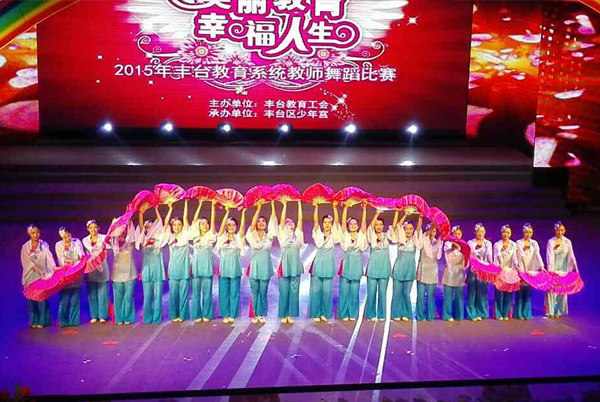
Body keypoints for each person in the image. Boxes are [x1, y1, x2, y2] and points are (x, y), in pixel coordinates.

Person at [245, 201, 277, 324]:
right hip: (254, 268)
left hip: (265, 269)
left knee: (263, 292)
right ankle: (255, 314)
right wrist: (258, 208)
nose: (261, 223)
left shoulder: (269, 236)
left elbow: (273, 221)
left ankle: (261, 314)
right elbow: (252, 225)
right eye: (259, 221)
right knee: (254, 292)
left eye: (263, 221)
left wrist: (273, 204)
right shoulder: (251, 235)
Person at [136, 206, 168, 324]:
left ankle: (157, 317)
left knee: (158, 296)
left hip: (158, 270)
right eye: (146, 226)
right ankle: (147, 317)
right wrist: (141, 214)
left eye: (150, 226)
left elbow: (160, 221)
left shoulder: (159, 238)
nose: (148, 228)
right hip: (147, 270)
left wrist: (156, 208)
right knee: (147, 296)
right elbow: (140, 227)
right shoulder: (143, 239)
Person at [389, 211, 423, 321]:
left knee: (406, 293)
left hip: (410, 269)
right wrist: (405, 215)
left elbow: (418, 229)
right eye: (406, 229)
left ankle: (406, 313)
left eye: (410, 229)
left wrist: (420, 217)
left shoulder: (415, 240)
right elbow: (396, 226)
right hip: (399, 269)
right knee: (396, 293)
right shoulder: (399, 238)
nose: (408, 231)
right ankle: (396, 314)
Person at [336, 203, 368, 321]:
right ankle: (343, 313)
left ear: (358, 226)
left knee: (354, 291)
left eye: (355, 224)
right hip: (346, 265)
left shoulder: (361, 236)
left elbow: (364, 223)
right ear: (348, 226)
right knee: (344, 291)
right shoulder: (345, 235)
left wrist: (364, 209)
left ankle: (353, 314)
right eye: (351, 224)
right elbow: (342, 223)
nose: (353, 226)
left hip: (356, 266)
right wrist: (345, 208)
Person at [216, 207, 246, 324]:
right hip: (224, 269)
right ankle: (225, 313)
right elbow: (221, 227)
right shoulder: (221, 237)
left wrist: (243, 212)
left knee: (234, 292)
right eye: (229, 225)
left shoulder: (239, 238)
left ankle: (232, 314)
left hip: (235, 269)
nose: (231, 227)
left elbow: (243, 228)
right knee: (224, 292)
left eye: (233, 225)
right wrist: (227, 211)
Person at [21, 224, 55, 328]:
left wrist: (54, 267)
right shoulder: (25, 247)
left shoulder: (44, 244)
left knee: (41, 298)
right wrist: (38, 270)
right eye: (33, 233)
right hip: (30, 275)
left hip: (42, 275)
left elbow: (49, 256)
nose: (35, 235)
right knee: (31, 299)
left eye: (37, 232)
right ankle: (33, 320)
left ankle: (43, 321)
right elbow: (27, 262)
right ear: (29, 233)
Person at [276, 200, 304, 324]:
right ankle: (284, 314)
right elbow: (282, 221)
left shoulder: (298, 234)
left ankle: (291, 314)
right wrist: (285, 205)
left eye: (291, 222)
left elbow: (300, 219)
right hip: (285, 265)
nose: (289, 223)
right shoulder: (282, 234)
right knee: (284, 291)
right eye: (287, 222)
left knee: (294, 290)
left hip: (296, 265)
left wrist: (299, 204)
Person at [309, 203, 339, 322]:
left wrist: (335, 207)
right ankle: (316, 313)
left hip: (328, 266)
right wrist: (316, 207)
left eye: (329, 222)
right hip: (318, 265)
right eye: (325, 222)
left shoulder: (334, 236)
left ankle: (325, 313)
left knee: (327, 291)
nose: (327, 224)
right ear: (322, 224)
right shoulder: (318, 234)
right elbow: (315, 221)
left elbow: (337, 222)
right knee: (316, 291)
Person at [189, 200, 217, 323]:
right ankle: (196, 314)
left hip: (207, 267)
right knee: (196, 293)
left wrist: (213, 206)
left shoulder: (211, 235)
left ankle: (207, 314)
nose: (204, 225)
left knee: (207, 292)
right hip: (196, 267)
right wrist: (200, 204)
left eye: (206, 223)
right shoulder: (194, 235)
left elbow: (213, 219)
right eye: (202, 223)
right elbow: (195, 220)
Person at [165, 201, 192, 322]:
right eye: (175, 225)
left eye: (179, 225)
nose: (177, 227)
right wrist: (170, 209)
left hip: (184, 269)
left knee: (184, 294)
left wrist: (186, 203)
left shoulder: (185, 235)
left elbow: (185, 218)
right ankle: (174, 315)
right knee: (173, 294)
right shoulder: (169, 237)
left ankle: (183, 315)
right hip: (173, 269)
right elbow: (165, 224)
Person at [545, 221, 579, 318]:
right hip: (554, 267)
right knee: (552, 289)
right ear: (555, 230)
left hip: (564, 268)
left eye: (562, 230)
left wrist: (575, 268)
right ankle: (550, 311)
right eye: (558, 230)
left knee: (562, 289)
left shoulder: (567, 242)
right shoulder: (551, 242)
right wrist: (551, 270)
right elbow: (550, 256)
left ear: (564, 231)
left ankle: (558, 311)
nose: (560, 232)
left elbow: (571, 256)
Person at [364, 210, 392, 322]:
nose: (379, 227)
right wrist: (376, 214)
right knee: (371, 293)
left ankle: (382, 315)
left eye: (381, 225)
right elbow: (369, 228)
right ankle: (370, 315)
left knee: (382, 293)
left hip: (384, 268)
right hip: (373, 268)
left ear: (383, 226)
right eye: (376, 225)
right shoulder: (371, 236)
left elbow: (395, 227)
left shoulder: (387, 236)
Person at [109, 219, 137, 325]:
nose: (121, 233)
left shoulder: (130, 241)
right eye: (119, 231)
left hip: (130, 273)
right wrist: (114, 223)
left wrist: (128, 220)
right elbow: (110, 234)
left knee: (128, 297)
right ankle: (119, 318)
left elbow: (132, 232)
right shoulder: (114, 243)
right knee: (118, 298)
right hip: (117, 274)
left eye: (123, 231)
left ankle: (128, 317)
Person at [55, 227, 84, 327]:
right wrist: (70, 262)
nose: (67, 238)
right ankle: (62, 321)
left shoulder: (76, 241)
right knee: (64, 299)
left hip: (76, 273)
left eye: (69, 236)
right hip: (66, 274)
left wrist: (80, 257)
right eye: (65, 237)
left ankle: (74, 321)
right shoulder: (58, 245)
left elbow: (80, 253)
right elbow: (61, 259)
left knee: (75, 299)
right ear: (61, 237)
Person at [82, 219, 110, 323]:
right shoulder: (85, 240)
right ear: (88, 229)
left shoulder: (103, 237)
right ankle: (94, 315)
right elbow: (92, 251)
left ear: (98, 228)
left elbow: (109, 243)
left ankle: (103, 315)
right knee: (92, 294)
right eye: (91, 227)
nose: (93, 229)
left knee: (103, 294)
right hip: (91, 270)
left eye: (95, 227)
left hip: (102, 269)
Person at [515, 223, 544, 320]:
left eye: (530, 232)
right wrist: (524, 269)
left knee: (527, 292)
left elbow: (537, 254)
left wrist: (542, 266)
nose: (528, 234)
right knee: (520, 291)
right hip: (522, 269)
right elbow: (521, 255)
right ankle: (519, 313)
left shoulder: (534, 243)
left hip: (531, 269)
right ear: (523, 232)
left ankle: (526, 313)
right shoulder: (519, 242)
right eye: (526, 232)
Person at [416, 223, 442, 321]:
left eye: (434, 231)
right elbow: (422, 239)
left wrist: (439, 242)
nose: (432, 233)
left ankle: (431, 315)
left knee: (431, 295)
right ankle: (420, 315)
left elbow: (438, 256)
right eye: (430, 230)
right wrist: (431, 228)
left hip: (433, 270)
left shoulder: (437, 242)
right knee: (420, 295)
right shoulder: (423, 239)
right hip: (423, 269)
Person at [467, 223, 493, 321]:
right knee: (472, 292)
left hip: (484, 270)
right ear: (475, 232)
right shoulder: (470, 242)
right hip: (474, 269)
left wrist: (491, 265)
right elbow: (473, 254)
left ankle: (482, 312)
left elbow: (489, 255)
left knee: (482, 292)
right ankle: (472, 313)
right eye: (478, 231)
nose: (480, 233)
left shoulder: (488, 243)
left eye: (482, 231)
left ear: (485, 232)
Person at [493, 225, 518, 320]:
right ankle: (498, 314)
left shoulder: (513, 244)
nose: (506, 234)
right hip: (500, 270)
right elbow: (498, 255)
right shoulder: (497, 244)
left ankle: (506, 313)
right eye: (504, 232)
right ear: (501, 233)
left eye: (508, 233)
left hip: (510, 270)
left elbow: (514, 257)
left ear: (510, 234)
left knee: (508, 293)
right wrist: (501, 268)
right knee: (499, 293)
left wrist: (516, 266)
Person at [442, 226, 466, 321]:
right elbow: (448, 251)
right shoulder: (448, 244)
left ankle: (459, 315)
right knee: (448, 295)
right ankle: (447, 315)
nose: (457, 236)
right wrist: (455, 245)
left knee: (459, 296)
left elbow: (466, 260)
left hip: (459, 273)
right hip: (449, 272)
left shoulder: (464, 245)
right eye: (455, 234)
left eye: (459, 234)